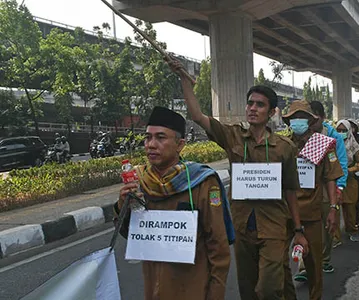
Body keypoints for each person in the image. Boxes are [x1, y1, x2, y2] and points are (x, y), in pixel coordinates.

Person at [169, 60, 308, 300]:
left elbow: (291, 190)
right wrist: (185, 81)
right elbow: (197, 116)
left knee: (268, 289)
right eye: (250, 103)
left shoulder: (284, 148)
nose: (253, 108)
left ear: (272, 112)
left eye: (260, 105)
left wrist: (298, 230)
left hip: (274, 226)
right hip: (242, 225)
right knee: (248, 289)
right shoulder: (232, 136)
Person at [113, 106, 234, 299]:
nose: (151, 144)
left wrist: (216, 293)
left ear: (180, 144)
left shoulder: (202, 181)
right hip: (153, 287)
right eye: (147, 137)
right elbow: (132, 234)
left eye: (161, 138)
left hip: (193, 289)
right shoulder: (141, 181)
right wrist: (123, 205)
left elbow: (218, 247)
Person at [282, 100, 343, 300]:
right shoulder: (282, 146)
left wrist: (333, 208)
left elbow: (330, 178)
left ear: (310, 121)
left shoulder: (322, 144)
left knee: (314, 265)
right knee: (279, 264)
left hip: (311, 213)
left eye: (302, 118)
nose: (297, 121)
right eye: (293, 118)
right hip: (284, 213)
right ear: (288, 122)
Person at [335, 120, 359, 242]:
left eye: (344, 131)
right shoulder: (331, 143)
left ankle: (351, 230)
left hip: (349, 180)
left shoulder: (354, 145)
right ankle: (335, 237)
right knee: (334, 209)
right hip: (333, 181)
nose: (341, 133)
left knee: (350, 209)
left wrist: (350, 170)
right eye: (338, 130)